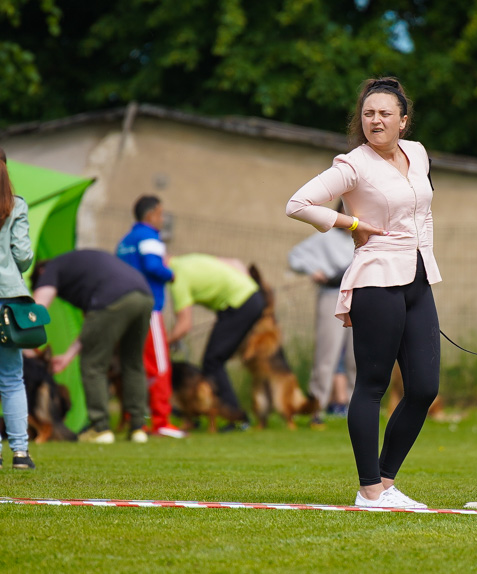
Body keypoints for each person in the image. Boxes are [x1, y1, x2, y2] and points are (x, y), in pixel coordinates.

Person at [286, 77, 441, 509]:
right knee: (371, 385)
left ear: (403, 121)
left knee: (425, 388)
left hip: (418, 278)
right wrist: (351, 225)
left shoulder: (418, 153)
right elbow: (297, 204)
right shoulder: (352, 164)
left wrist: (425, 256)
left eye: (385, 113)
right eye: (368, 113)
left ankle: (386, 483)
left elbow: (425, 208)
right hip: (375, 278)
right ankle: (369, 488)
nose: (375, 120)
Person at [31, 249, 154, 444]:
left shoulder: (49, 268)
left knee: (93, 365)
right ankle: (139, 428)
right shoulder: (79, 267)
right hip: (144, 295)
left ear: (40, 272)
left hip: (112, 298)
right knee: (133, 363)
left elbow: (38, 307)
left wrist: (25, 344)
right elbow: (92, 326)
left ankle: (100, 428)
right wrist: (67, 356)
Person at [166, 253, 266, 427]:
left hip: (240, 304)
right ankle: (199, 415)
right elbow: (234, 261)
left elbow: (184, 325)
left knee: (213, 360)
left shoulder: (176, 277)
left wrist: (161, 344)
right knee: (214, 360)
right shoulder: (185, 261)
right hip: (248, 298)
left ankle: (236, 418)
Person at [116, 195, 186, 439]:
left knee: (135, 365)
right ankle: (160, 420)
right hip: (149, 308)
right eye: (161, 214)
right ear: (152, 214)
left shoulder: (125, 241)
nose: (163, 219)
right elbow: (154, 266)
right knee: (159, 365)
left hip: (125, 309)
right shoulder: (149, 236)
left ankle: (134, 418)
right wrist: (172, 274)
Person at [289, 201, 356, 425]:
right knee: (327, 355)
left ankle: (355, 407)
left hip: (359, 298)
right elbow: (295, 256)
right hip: (331, 296)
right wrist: (313, 270)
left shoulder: (363, 238)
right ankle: (316, 408)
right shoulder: (325, 237)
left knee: (356, 356)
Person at [0, 146, 36, 469]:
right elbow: (24, 256)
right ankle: (20, 454)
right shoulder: (16, 206)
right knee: (12, 378)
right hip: (8, 300)